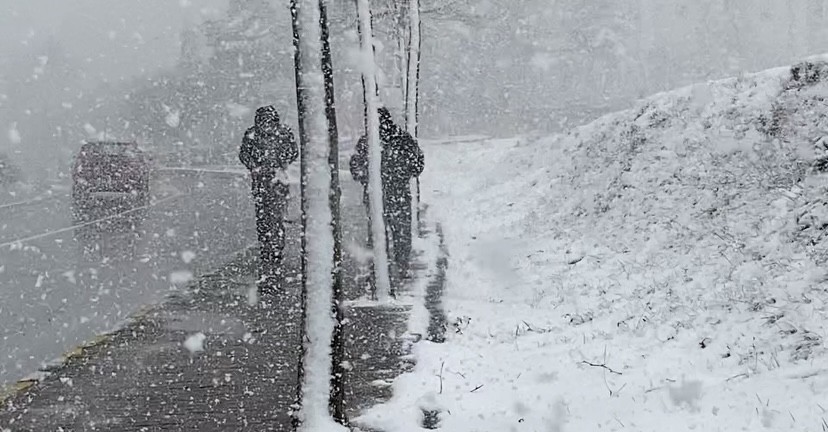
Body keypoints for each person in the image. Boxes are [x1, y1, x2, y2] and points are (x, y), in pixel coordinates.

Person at [350, 107, 425, 280]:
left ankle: (380, 268)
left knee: (378, 233)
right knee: (399, 233)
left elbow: (355, 166)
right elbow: (418, 162)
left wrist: (366, 177)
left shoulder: (368, 141)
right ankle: (400, 265)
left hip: (378, 195)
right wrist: (404, 174)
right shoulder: (402, 139)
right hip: (397, 194)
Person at [239, 105, 298, 295]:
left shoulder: (283, 133)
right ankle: (268, 252)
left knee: (276, 219)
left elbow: (293, 151)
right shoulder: (252, 134)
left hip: (278, 182)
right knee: (265, 220)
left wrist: (282, 162)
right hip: (261, 183)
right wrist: (254, 167)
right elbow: (243, 154)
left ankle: (275, 252)